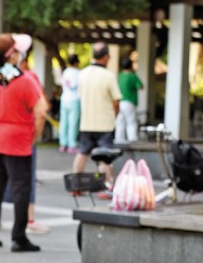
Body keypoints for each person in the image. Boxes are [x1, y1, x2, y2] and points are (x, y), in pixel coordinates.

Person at [0, 33, 48, 253]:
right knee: (21, 188)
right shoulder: (25, 80)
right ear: (13, 55)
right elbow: (42, 111)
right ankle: (19, 238)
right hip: (17, 140)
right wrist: (34, 135)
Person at [3, 48, 50, 236]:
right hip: (24, 134)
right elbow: (42, 109)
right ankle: (28, 220)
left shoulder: (1, 78)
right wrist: (35, 136)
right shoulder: (29, 78)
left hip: (2, 135)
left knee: (1, 177)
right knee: (26, 178)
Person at [72, 42, 121, 194]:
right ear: (106, 57)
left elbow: (79, 97)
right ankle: (104, 188)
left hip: (86, 122)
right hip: (104, 123)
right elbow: (116, 101)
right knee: (104, 157)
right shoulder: (109, 76)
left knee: (82, 153)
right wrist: (114, 116)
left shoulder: (82, 75)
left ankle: (75, 186)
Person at [115, 56, 143, 143]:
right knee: (131, 122)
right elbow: (140, 86)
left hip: (120, 102)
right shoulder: (132, 76)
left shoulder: (119, 76)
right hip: (129, 102)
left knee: (120, 122)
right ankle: (132, 140)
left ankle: (119, 140)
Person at [59, 53, 81, 153]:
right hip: (74, 99)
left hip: (64, 99)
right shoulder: (78, 73)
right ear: (77, 62)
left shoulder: (65, 72)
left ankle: (63, 143)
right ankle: (72, 144)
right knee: (73, 123)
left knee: (64, 122)